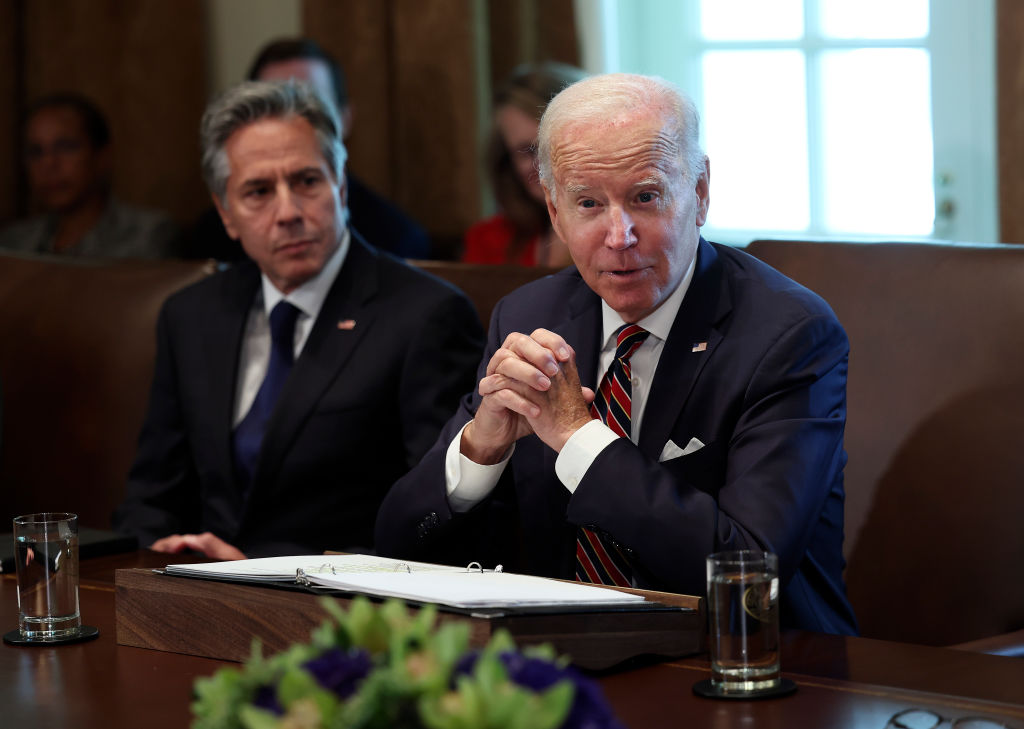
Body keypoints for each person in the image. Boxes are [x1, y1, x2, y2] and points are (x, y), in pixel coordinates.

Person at [376, 73, 858, 635]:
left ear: (699, 192)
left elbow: (750, 570)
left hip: (752, 667)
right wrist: (480, 450)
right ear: (555, 213)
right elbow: (396, 541)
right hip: (565, 665)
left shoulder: (788, 333)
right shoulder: (530, 316)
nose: (619, 235)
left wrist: (578, 437)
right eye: (588, 203)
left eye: (645, 197)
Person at [114, 80, 483, 559]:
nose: (287, 212)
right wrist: (157, 554)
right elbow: (151, 494)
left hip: (341, 612)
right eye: (259, 191)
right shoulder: (190, 315)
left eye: (307, 181)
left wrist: (268, 577)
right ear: (226, 214)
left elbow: (439, 517)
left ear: (341, 186)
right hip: (196, 598)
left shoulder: (425, 315)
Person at [186, 38, 431, 262]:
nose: (289, 120)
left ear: (345, 119)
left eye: (311, 106)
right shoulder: (208, 238)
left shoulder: (398, 237)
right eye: (272, 105)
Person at [0, 93, 181, 258]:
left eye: (66, 147)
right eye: (36, 152)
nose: (48, 164)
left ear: (101, 156)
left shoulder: (148, 236)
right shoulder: (14, 243)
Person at [462, 62, 585, 267]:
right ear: (507, 164)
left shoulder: (630, 233)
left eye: (555, 146)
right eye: (528, 151)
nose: (546, 164)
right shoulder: (488, 242)